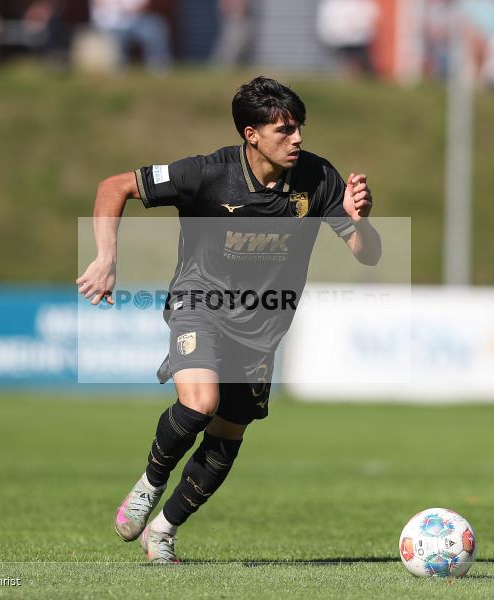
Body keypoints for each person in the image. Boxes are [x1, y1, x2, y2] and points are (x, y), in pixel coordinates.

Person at [76, 76, 381, 564]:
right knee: (200, 404)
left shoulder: (319, 178)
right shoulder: (207, 173)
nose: (297, 138)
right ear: (250, 134)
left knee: (227, 433)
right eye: (284, 130)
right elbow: (114, 187)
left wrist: (358, 220)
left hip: (263, 328)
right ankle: (150, 482)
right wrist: (106, 257)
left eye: (299, 127)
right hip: (201, 305)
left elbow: (367, 256)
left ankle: (165, 530)